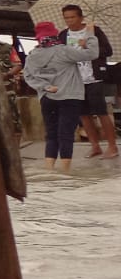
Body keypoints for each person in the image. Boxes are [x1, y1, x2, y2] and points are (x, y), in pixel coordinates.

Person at [21, 20, 98, 172]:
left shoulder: (33, 55)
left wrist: (46, 86)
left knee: (51, 134)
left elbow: (29, 76)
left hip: (47, 98)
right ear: (54, 34)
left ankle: (49, 169)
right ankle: (65, 172)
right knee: (66, 134)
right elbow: (93, 54)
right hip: (69, 97)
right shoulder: (64, 51)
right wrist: (90, 35)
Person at [57, 3, 117, 159]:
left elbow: (108, 51)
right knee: (83, 114)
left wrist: (89, 45)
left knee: (100, 111)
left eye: (72, 17)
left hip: (93, 77)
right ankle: (95, 146)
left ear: (81, 17)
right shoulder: (63, 35)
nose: (69, 21)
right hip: (75, 79)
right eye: (66, 18)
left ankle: (112, 146)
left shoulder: (93, 31)